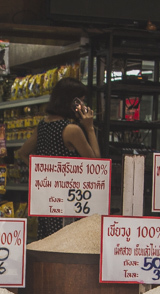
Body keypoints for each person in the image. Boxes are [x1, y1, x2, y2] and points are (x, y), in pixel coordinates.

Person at [16, 77, 100, 239]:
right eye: (80, 102)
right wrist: (89, 129)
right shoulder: (71, 130)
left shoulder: (43, 126)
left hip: (47, 199)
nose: (82, 107)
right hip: (69, 201)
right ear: (71, 102)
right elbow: (96, 163)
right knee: (66, 243)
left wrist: (42, 175)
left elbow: (23, 152)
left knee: (48, 241)